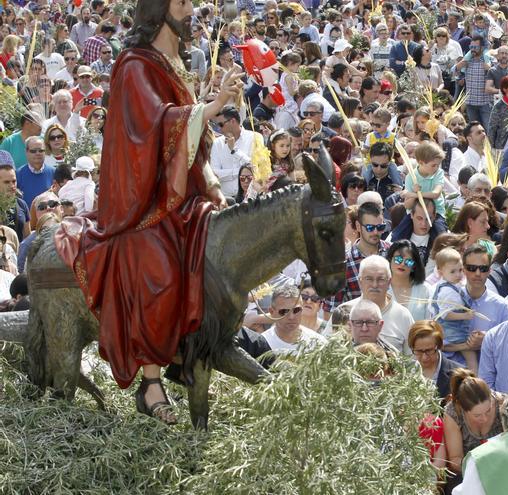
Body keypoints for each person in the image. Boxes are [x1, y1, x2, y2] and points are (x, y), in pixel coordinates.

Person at [53, 0, 245, 425]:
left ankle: (196, 351)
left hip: (180, 193)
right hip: (141, 202)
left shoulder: (173, 62)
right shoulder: (134, 64)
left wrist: (213, 186)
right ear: (160, 10)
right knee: (156, 262)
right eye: (182, 2)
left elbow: (191, 142)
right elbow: (151, 129)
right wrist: (209, 108)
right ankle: (151, 379)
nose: (190, 9)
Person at [443, 368, 505, 491]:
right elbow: (455, 459)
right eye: (477, 415)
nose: (484, 418)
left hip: (502, 468)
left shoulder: (503, 403)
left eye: (488, 411)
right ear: (462, 408)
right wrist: (480, 469)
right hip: (468, 474)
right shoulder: (452, 413)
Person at [432, 247, 478, 371]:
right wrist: (465, 316)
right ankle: (475, 378)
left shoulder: (453, 286)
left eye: (460, 270)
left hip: (454, 332)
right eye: (453, 272)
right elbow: (445, 315)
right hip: (452, 332)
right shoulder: (446, 290)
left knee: (460, 359)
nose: (458, 274)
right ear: (441, 272)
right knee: (470, 354)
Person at [262, 284, 327, 355]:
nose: (291, 317)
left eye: (296, 310)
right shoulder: (262, 343)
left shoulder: (318, 344)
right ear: (271, 312)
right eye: (284, 311)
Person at [409, 320, 463, 399]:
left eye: (429, 351)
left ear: (439, 346)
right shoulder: (406, 373)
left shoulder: (459, 375)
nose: (424, 357)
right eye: (419, 351)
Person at [386, 240, 432, 321]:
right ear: (390, 260)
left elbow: (430, 322)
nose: (403, 264)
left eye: (408, 261)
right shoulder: (380, 288)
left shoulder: (425, 289)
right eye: (398, 259)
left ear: (414, 266)